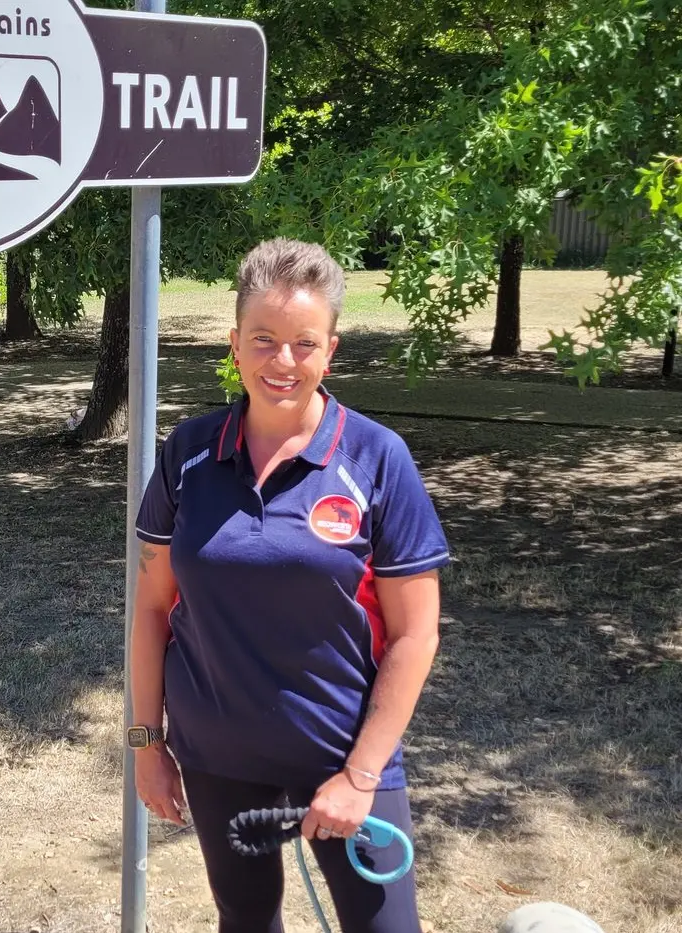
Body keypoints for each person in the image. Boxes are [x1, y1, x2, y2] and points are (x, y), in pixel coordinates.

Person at [128, 238, 450, 933]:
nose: (283, 362)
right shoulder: (189, 453)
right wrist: (145, 743)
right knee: (244, 918)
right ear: (234, 345)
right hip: (217, 754)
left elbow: (417, 633)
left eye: (304, 343)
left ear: (330, 350)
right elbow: (153, 608)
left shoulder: (376, 458)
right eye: (263, 340)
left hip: (343, 754)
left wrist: (361, 775)